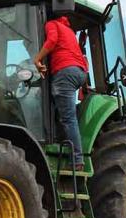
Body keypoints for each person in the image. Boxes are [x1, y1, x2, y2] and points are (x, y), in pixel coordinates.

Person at [34, 16, 88, 171]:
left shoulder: (52, 24)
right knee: (57, 106)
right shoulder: (68, 30)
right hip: (79, 72)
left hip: (65, 72)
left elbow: (51, 41)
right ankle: (57, 140)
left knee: (68, 118)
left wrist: (37, 59)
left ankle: (77, 160)